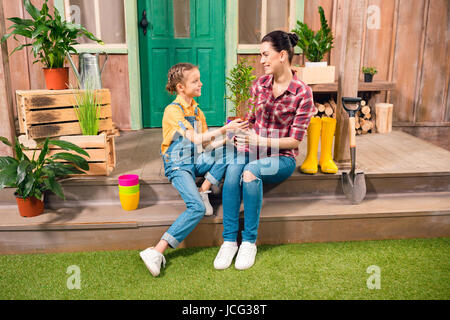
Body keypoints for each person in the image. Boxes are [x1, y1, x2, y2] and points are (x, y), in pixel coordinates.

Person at [213, 31, 316, 271]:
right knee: (232, 171)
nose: (262, 60)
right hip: (253, 148)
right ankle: (229, 241)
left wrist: (259, 140)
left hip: (282, 157)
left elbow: (294, 141)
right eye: (261, 55)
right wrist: (234, 135)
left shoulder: (303, 93)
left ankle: (249, 241)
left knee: (250, 171)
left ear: (282, 55)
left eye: (265, 54)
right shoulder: (258, 85)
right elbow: (249, 119)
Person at [140, 63, 247, 277]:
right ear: (180, 87)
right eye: (195, 81)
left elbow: (205, 146)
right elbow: (196, 138)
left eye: (199, 79)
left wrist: (227, 139)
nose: (201, 84)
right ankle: (156, 251)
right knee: (197, 209)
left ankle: (204, 188)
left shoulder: (197, 111)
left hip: (195, 159)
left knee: (232, 151)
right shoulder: (173, 111)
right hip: (178, 164)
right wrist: (224, 128)